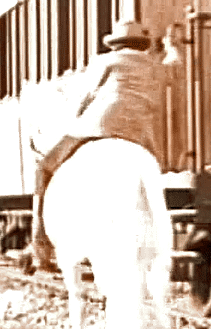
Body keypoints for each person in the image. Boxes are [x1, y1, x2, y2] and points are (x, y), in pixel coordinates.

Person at [27, 20, 166, 273]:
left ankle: (40, 245)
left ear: (115, 45)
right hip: (141, 135)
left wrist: (73, 117)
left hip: (100, 125)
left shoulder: (104, 62)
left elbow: (82, 97)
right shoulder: (155, 67)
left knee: (45, 167)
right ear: (141, 44)